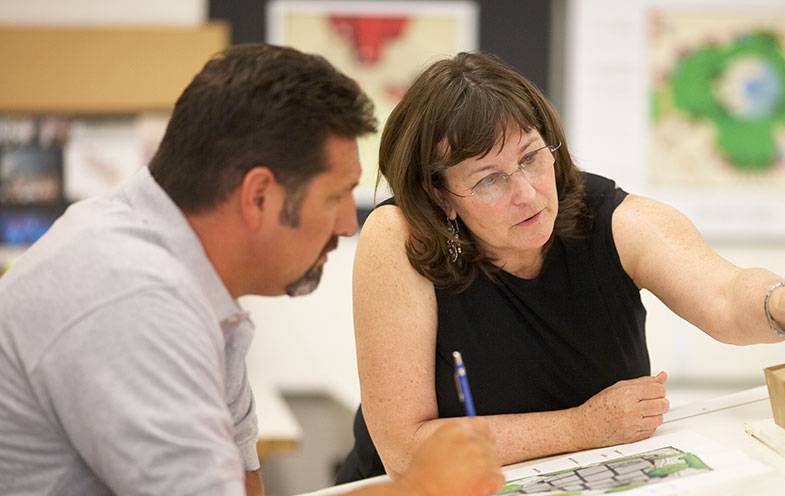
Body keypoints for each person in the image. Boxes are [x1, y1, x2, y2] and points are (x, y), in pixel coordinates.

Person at [0, 44, 502, 496]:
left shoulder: (195, 284)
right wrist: (423, 490)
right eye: (334, 198)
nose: (349, 225)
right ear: (258, 195)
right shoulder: (132, 299)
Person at [337, 51, 785, 483]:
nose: (526, 194)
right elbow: (408, 452)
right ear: (440, 193)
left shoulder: (608, 216)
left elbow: (725, 296)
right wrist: (584, 426)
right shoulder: (400, 238)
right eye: (489, 179)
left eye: (530, 157)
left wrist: (784, 304)